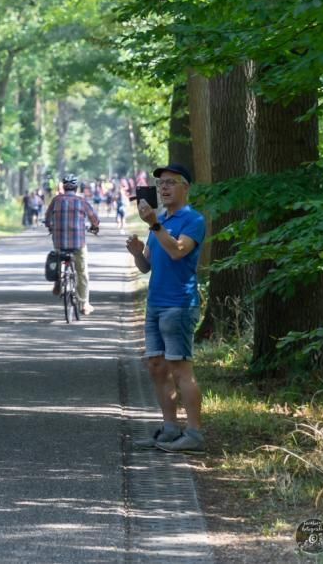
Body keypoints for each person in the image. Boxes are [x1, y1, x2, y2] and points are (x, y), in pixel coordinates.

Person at [125, 163, 207, 454]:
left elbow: (177, 251)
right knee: (157, 368)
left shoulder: (192, 220)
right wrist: (137, 253)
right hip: (155, 304)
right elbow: (147, 266)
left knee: (181, 369)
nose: (164, 188)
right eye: (160, 185)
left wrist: (154, 225)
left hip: (180, 305)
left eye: (171, 183)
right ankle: (171, 429)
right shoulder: (158, 221)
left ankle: (195, 434)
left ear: (186, 187)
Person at [43, 174, 100, 316]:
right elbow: (94, 219)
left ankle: (58, 279)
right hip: (78, 243)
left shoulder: (56, 200)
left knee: (57, 256)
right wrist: (94, 227)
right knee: (82, 272)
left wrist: (50, 226)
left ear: (63, 186)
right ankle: (84, 304)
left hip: (59, 242)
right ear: (76, 187)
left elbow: (47, 218)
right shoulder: (81, 201)